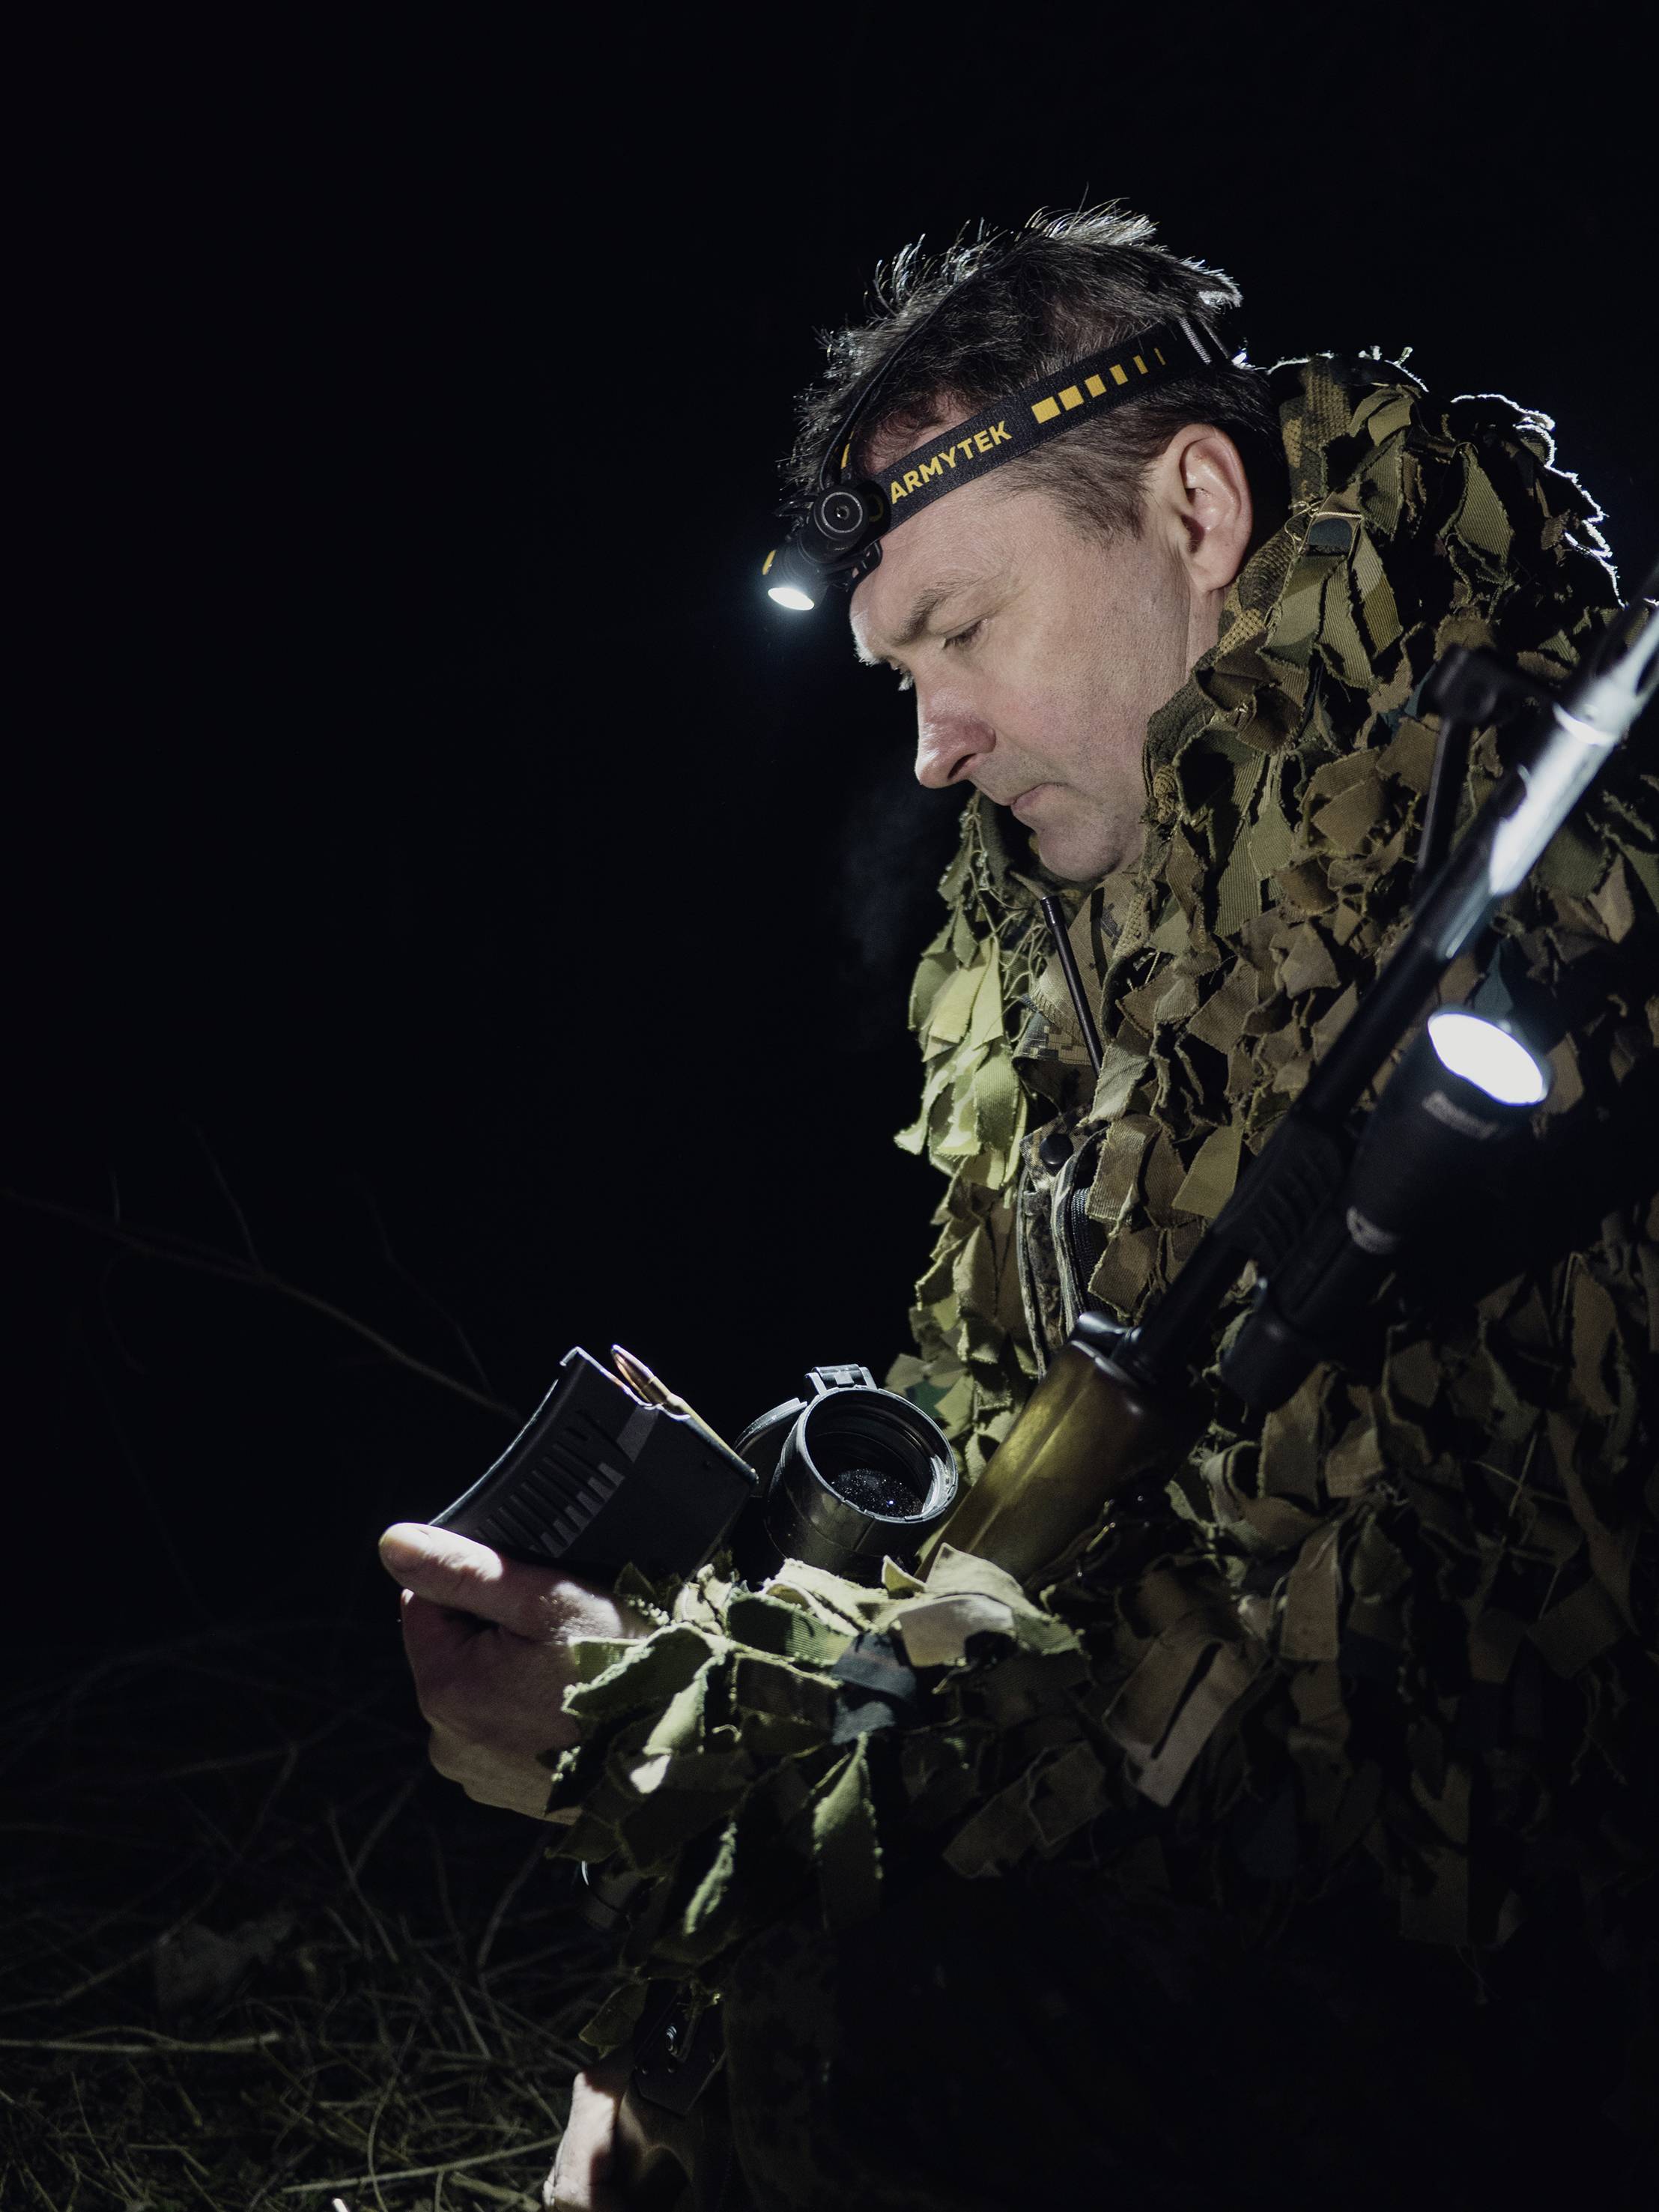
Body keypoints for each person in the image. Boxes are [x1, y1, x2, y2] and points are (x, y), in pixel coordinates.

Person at [380, 207, 1658, 2208]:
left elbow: (1376, 1768)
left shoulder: (1550, 910)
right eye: (900, 668)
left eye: (965, 632)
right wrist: (737, 1640)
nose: (932, 740)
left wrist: (693, 1736)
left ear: (1198, 511)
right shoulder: (1047, 918)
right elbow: (1006, 1466)